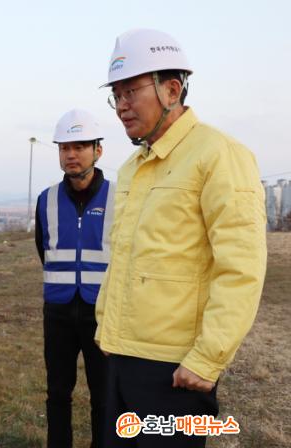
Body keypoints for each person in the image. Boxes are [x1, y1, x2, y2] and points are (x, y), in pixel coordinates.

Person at [95, 28, 267, 447]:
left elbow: (241, 268)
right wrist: (105, 328)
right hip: (122, 358)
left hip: (175, 371)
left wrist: (207, 358)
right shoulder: (133, 167)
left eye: (131, 91)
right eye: (115, 95)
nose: (122, 106)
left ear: (172, 89)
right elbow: (126, 259)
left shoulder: (218, 155)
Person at [35, 109, 112, 448]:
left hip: (103, 312)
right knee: (57, 393)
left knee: (105, 395)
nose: (71, 154)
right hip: (58, 312)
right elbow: (44, 249)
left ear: (98, 151)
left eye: (80, 147)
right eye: (65, 147)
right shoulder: (46, 200)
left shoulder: (119, 197)